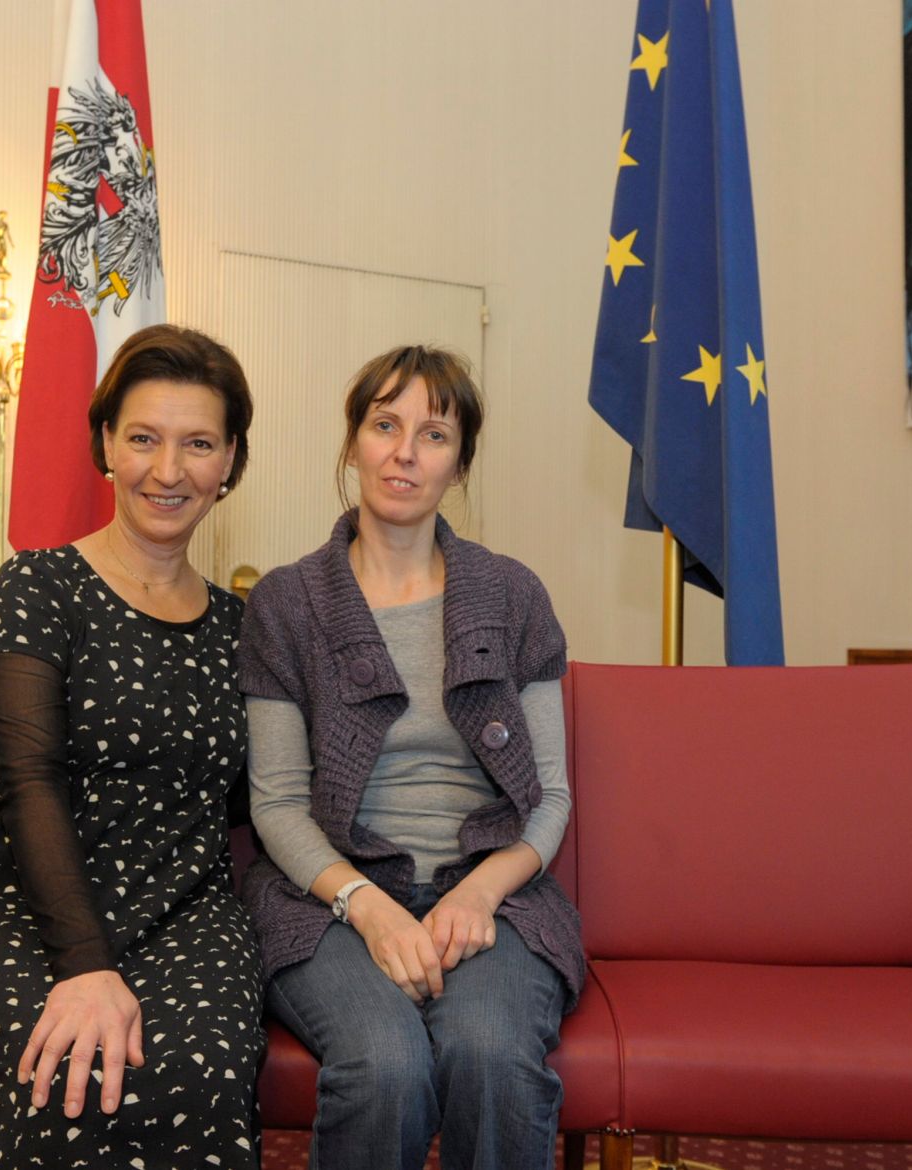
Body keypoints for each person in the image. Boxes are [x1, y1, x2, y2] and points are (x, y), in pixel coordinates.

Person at [0, 324, 262, 1170]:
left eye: (198, 444)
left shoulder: (244, 630)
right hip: (15, 908)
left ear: (231, 463)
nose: (167, 471)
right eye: (143, 438)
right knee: (67, 1076)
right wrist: (84, 965)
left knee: (198, 1079)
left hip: (185, 913)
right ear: (106, 443)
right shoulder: (36, 586)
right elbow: (26, 778)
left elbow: (260, 800)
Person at [238, 345, 580, 1170]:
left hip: (494, 895)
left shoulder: (514, 594)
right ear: (353, 441)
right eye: (385, 425)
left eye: (433, 434)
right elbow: (278, 804)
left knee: (492, 1054)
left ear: (459, 463)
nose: (404, 452)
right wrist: (367, 905)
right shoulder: (287, 602)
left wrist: (479, 891)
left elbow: (552, 796)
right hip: (329, 898)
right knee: (385, 1066)